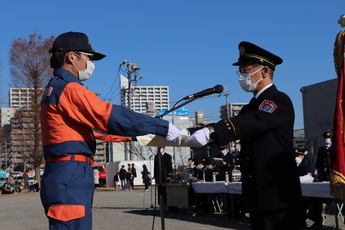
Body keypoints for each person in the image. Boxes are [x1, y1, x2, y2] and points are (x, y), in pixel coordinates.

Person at [40, 31, 183, 230]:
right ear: (71, 57)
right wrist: (162, 126)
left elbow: (94, 130)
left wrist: (136, 135)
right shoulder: (69, 88)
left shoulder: (55, 87)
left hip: (67, 170)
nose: (90, 64)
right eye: (88, 57)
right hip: (70, 171)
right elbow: (108, 115)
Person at [186, 41, 302, 230]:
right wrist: (184, 133)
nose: (241, 76)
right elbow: (236, 126)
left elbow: (250, 123)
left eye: (245, 70)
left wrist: (210, 132)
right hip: (259, 193)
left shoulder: (278, 100)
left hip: (277, 195)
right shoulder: (250, 106)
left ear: (264, 71)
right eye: (240, 71)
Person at [307, 132, 332, 229]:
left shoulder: (335, 148)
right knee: (316, 198)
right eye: (325, 137)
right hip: (324, 177)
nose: (327, 139)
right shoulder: (321, 149)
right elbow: (319, 161)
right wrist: (317, 171)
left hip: (334, 177)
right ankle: (317, 220)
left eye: (328, 137)